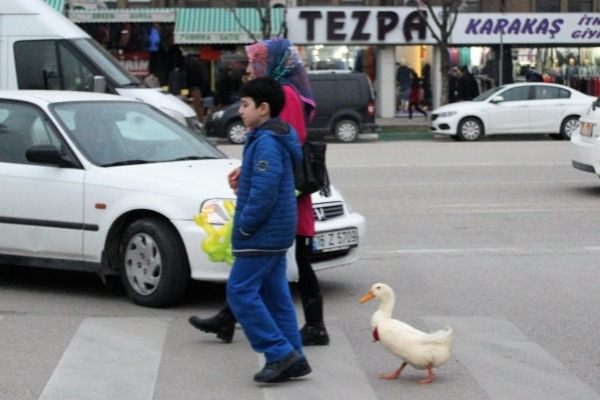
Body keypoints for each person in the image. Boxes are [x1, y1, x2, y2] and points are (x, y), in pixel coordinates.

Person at [189, 38, 330, 346]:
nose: (250, 67)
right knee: (269, 269)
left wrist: (250, 213)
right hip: (283, 189)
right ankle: (243, 323)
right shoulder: (277, 91)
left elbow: (284, 140)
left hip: (286, 191)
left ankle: (308, 330)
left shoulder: (285, 95)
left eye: (255, 61)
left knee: (281, 260)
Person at [223, 76, 309, 383]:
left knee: (239, 291)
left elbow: (265, 192)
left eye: (245, 105)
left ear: (264, 108)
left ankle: (278, 352)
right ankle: (294, 356)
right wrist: (242, 184)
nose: (241, 111)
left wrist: (245, 225)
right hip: (275, 230)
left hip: (263, 231)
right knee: (276, 296)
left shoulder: (267, 142)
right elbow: (261, 184)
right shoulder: (268, 138)